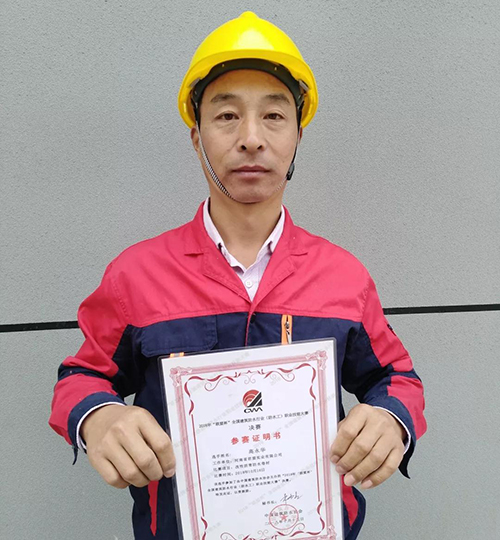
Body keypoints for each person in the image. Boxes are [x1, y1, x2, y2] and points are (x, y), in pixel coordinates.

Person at [49, 11, 426, 540]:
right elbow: (82, 377)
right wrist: (98, 417)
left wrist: (391, 419)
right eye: (227, 116)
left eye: (274, 116)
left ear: (298, 135)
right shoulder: (135, 275)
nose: (251, 138)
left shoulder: (344, 276)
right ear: (196, 137)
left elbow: (397, 378)